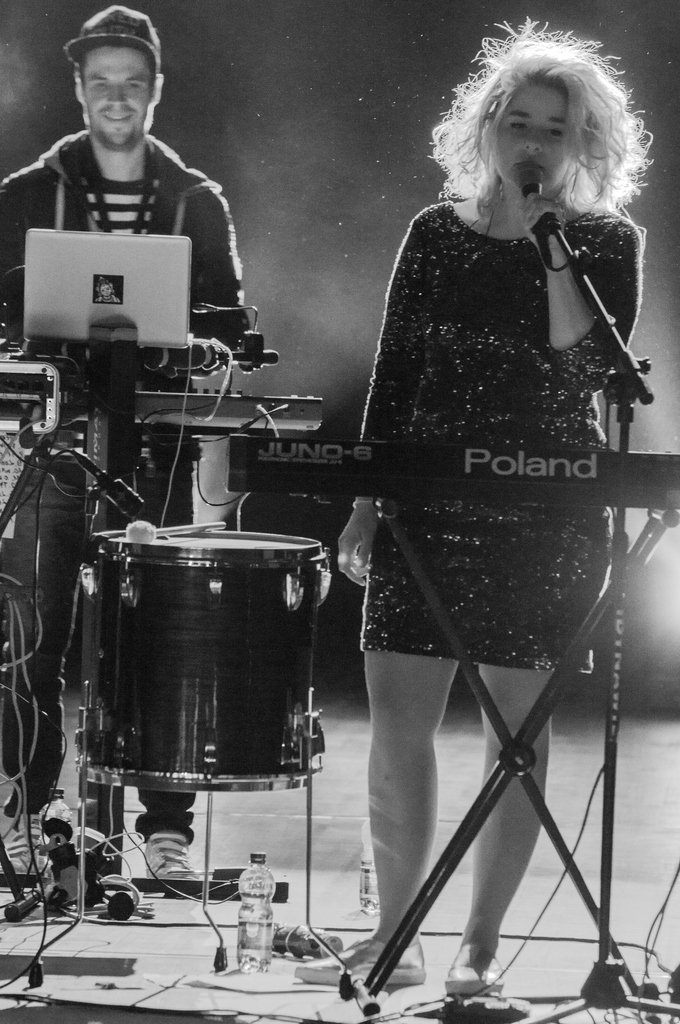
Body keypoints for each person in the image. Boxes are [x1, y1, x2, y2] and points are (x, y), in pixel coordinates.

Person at [297, 21, 649, 992]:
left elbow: (585, 368)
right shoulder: (432, 234)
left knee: (514, 743)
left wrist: (548, 249)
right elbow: (394, 376)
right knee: (397, 728)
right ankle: (395, 935)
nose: (532, 142)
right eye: (518, 121)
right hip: (422, 504)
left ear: (582, 142)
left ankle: (480, 947)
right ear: (486, 125)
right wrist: (366, 502)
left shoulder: (605, 243)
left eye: (554, 129)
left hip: (541, 516)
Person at [0, 5, 247, 879]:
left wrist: (203, 342)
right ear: (78, 88)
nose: (115, 98)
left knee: (157, 636)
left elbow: (229, 321)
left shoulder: (194, 200)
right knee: (30, 637)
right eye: (100, 82)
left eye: (131, 83)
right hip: (46, 448)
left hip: (155, 448)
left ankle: (165, 829)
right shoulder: (25, 195)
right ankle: (25, 817)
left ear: (154, 90)